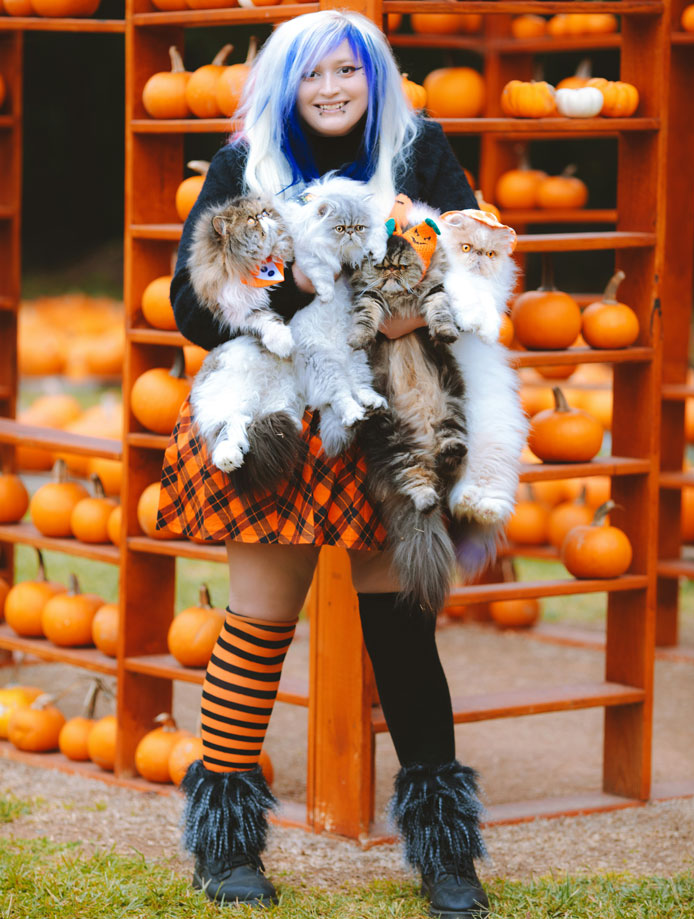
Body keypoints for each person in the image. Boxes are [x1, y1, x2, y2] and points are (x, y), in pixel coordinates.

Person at [157, 10, 489, 917]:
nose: (332, 88)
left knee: (403, 632)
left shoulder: (418, 151)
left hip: (386, 412)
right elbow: (191, 303)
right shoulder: (243, 165)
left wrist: (414, 306)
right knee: (258, 628)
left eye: (349, 70)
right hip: (280, 413)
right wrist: (291, 283)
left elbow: (473, 255)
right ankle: (226, 849)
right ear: (286, 83)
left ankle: (446, 856)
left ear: (374, 78)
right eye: (313, 73)